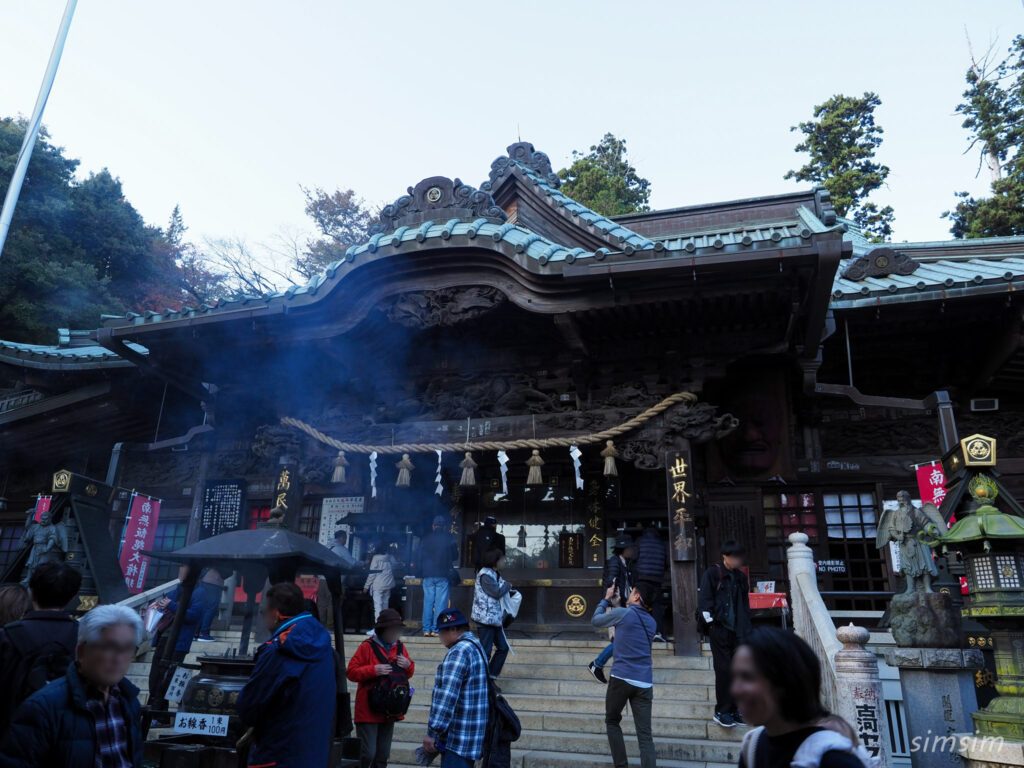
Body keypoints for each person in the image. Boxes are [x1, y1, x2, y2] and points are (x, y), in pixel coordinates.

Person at [0, 604, 144, 768]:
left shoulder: (129, 701)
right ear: (82, 651)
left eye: (127, 649)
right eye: (110, 648)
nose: (119, 659)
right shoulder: (43, 707)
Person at [735, 627, 872, 768]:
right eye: (734, 677)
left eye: (747, 677)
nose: (735, 690)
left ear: (784, 681)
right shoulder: (752, 746)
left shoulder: (834, 760)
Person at [237, 582, 337, 768]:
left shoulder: (277, 650)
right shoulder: (324, 648)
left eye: (263, 612)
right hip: (314, 755)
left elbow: (249, 707)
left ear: (275, 615)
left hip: (278, 754)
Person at [0, 561, 82, 730]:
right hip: (61, 735)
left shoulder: (7, 636)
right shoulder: (85, 639)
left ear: (32, 594)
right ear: (72, 598)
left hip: (10, 732)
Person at [591, 581, 658, 768]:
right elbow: (631, 625)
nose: (629, 594)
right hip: (644, 682)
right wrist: (618, 604)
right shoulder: (652, 623)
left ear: (637, 596)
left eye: (632, 592)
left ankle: (621, 766)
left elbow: (596, 620)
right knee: (645, 736)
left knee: (612, 721)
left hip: (621, 678)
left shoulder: (623, 614)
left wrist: (606, 600)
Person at [421, 608, 489, 768]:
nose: (440, 638)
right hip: (471, 737)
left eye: (441, 632)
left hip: (458, 740)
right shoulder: (476, 646)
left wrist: (433, 733)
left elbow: (447, 697)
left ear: (453, 629)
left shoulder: (459, 651)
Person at [347, 608, 415, 768]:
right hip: (368, 709)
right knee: (368, 753)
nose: (395, 634)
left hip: (390, 709)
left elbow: (407, 674)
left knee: (382, 756)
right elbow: (351, 672)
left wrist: (408, 665)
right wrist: (373, 670)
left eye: (397, 630)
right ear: (382, 630)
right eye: (392, 630)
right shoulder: (367, 647)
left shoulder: (399, 647)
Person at [698, 539, 752, 728]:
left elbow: (744, 606)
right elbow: (704, 600)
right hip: (720, 628)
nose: (736, 561)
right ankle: (722, 710)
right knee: (724, 670)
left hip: (738, 630)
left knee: (738, 670)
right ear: (724, 555)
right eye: (733, 557)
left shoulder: (740, 577)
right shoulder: (713, 573)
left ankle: (735, 709)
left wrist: (746, 630)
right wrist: (711, 624)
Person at [147, 566, 212, 707]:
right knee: (155, 677)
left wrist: (173, 606)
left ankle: (165, 713)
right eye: (181, 568)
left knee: (168, 678)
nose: (180, 571)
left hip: (179, 642)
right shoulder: (175, 591)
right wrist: (157, 607)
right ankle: (156, 710)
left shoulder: (199, 592)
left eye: (184, 569)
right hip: (163, 638)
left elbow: (193, 616)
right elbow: (165, 608)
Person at [588, 534, 636, 683]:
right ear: (624, 549)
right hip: (616, 606)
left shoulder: (623, 562)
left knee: (623, 640)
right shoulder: (616, 562)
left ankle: (601, 665)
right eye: (630, 548)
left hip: (621, 606)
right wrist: (615, 603)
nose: (632, 550)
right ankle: (597, 664)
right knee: (620, 640)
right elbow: (612, 582)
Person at [471, 548, 511, 679]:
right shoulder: (486, 575)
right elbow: (496, 592)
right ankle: (482, 680)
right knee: (486, 652)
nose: (504, 562)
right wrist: (507, 586)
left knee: (503, 648)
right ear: (495, 561)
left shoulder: (494, 573)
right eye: (502, 560)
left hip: (494, 618)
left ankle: (491, 677)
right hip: (485, 619)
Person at [420, 515, 458, 637]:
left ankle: (426, 629)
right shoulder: (449, 538)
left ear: (433, 526)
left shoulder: (425, 538)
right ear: (444, 527)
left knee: (428, 602)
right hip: (442, 574)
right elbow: (455, 556)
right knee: (440, 604)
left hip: (428, 574)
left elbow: (419, 556)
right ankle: (436, 630)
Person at [635, 527, 668, 642]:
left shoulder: (640, 541)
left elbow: (635, 558)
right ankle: (657, 632)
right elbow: (666, 562)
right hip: (657, 580)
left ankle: (640, 633)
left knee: (640, 605)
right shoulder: (661, 543)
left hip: (642, 579)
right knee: (657, 607)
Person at [364, 543, 399, 622]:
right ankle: (385, 625)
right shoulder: (390, 557)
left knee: (378, 606)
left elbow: (372, 573)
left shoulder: (375, 558)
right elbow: (396, 566)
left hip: (378, 585)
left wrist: (366, 586)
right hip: (388, 584)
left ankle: (378, 626)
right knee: (385, 606)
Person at [195, 567, 227, 642]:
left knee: (203, 608)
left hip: (204, 580)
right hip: (214, 581)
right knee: (210, 609)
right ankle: (204, 633)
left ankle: (196, 632)